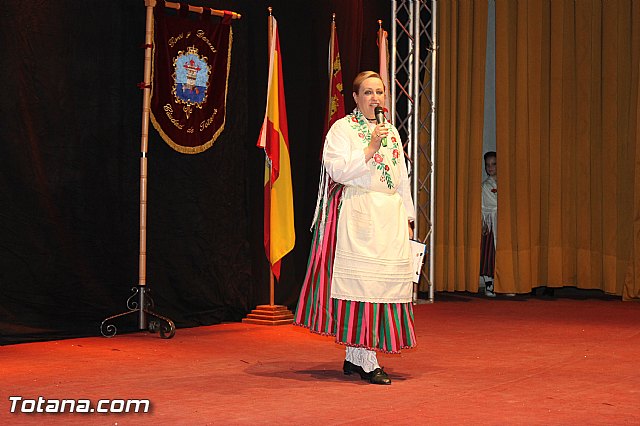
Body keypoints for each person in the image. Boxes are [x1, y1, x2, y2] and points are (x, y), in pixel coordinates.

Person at [294, 71, 417, 385]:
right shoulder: (342, 129)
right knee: (363, 289)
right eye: (368, 93)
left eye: (379, 92)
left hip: (389, 217)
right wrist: (368, 148)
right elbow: (335, 169)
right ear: (355, 97)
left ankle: (353, 356)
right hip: (360, 213)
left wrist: (408, 219)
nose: (375, 98)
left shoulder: (391, 131)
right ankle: (366, 359)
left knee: (384, 287)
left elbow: (401, 178)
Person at [480, 151, 498, 297]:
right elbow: (489, 204)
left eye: (494, 164)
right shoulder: (486, 186)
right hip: (491, 221)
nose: (490, 167)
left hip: (501, 223)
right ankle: (489, 283)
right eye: (488, 165)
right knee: (489, 252)